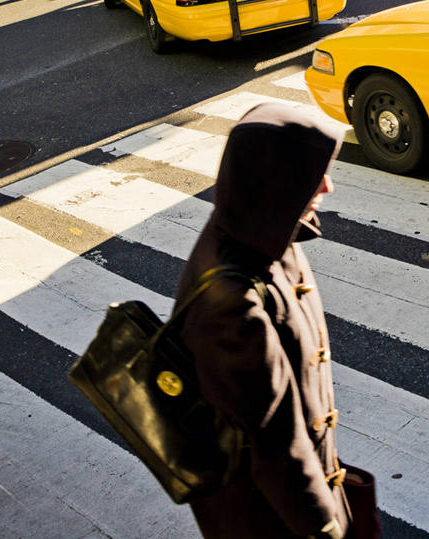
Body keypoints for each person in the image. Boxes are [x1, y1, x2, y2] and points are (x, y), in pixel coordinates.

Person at [174, 103, 350, 539]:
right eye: (310, 174)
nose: (327, 185)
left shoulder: (265, 231)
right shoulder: (232, 304)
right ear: (273, 180)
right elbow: (275, 449)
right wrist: (324, 526)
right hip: (270, 517)